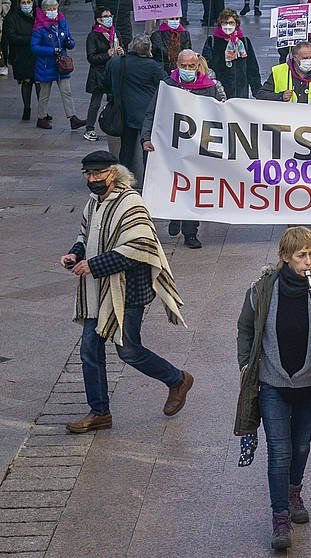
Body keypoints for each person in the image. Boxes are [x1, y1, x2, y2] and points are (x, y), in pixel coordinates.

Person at [234, 226, 311, 551]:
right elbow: (245, 328)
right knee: (279, 452)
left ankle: (294, 491)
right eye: (302, 255)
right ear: (285, 257)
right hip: (272, 386)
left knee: (300, 448)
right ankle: (280, 517)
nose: (308, 261)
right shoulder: (262, 290)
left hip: (310, 386)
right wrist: (246, 365)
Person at [61, 150, 191, 435]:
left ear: (114, 173)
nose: (93, 180)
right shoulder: (93, 203)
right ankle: (100, 412)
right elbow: (86, 236)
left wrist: (92, 265)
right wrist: (75, 254)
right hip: (98, 290)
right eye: (89, 175)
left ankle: (177, 379)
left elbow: (136, 250)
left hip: (128, 291)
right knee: (89, 350)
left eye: (98, 174)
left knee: (129, 351)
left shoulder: (131, 204)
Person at [141, 50, 226, 248]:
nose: (188, 70)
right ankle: (175, 216)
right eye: (183, 66)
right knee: (174, 184)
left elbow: (216, 116)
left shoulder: (208, 87)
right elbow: (151, 113)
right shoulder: (167, 86)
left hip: (196, 147)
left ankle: (190, 232)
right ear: (176, 65)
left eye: (191, 66)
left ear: (198, 66)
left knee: (193, 187)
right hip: (170, 145)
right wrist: (146, 138)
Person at [105, 34, 165, 184]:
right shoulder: (151, 66)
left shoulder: (115, 62)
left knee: (126, 148)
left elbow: (105, 82)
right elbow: (166, 83)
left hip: (123, 112)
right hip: (145, 113)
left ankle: (123, 180)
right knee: (148, 148)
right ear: (148, 50)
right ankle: (149, 181)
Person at [31, 0, 85, 132]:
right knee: (44, 93)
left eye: (54, 8)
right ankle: (41, 117)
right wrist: (51, 50)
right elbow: (34, 47)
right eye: (49, 9)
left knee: (66, 91)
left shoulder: (61, 21)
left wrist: (69, 42)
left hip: (61, 64)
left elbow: (70, 40)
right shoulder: (39, 27)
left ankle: (73, 118)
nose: (52, 11)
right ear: (43, 11)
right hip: (45, 64)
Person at [201, 9, 262, 99]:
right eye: (225, 23)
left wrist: (257, 91)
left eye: (231, 23)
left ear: (236, 24)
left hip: (240, 94)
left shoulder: (244, 42)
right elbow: (205, 67)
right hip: (218, 94)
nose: (228, 26)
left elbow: (252, 68)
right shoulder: (212, 42)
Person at [83, 6, 121, 141]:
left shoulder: (114, 33)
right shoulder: (93, 36)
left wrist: (120, 53)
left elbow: (118, 48)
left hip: (112, 72)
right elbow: (91, 58)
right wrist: (107, 54)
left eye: (110, 16)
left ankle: (114, 125)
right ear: (99, 19)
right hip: (98, 75)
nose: (109, 19)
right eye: (106, 16)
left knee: (115, 101)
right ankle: (89, 128)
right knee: (95, 103)